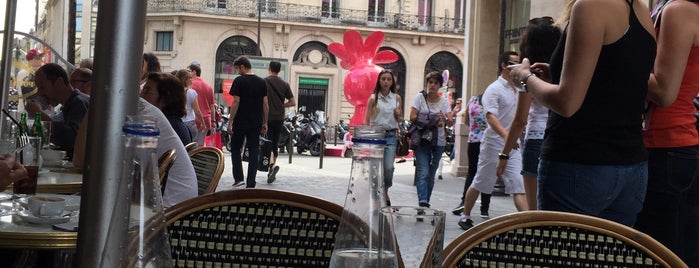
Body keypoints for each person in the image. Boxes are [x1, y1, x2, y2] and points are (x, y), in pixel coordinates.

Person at [508, 0, 656, 227]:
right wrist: (557, 74)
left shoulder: (590, 6)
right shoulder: (641, 12)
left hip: (579, 163)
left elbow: (566, 103)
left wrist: (525, 77)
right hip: (632, 167)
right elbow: (618, 77)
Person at [635, 1, 699, 266]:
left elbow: (663, 91)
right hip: (675, 146)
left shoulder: (679, 10)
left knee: (661, 253)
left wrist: (615, 60)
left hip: (668, 145)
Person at [73, 98, 198, 207]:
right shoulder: (129, 109)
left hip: (170, 211)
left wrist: (95, 104)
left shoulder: (141, 116)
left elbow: (82, 160)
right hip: (157, 202)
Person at [496, 16, 561, 210]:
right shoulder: (564, 69)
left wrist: (504, 154)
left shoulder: (529, 73)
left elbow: (520, 120)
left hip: (536, 140)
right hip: (561, 139)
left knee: (535, 212)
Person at [458, 52, 528, 231]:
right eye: (514, 62)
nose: (518, 65)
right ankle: (465, 215)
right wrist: (507, 136)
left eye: (519, 62)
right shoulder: (494, 89)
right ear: (504, 66)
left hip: (513, 145)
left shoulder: (520, 88)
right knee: (482, 180)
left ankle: (528, 223)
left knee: (517, 183)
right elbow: (490, 116)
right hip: (493, 143)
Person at [26, 63, 90, 160]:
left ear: (59, 82)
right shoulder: (70, 104)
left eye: (42, 87)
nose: (40, 93)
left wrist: (38, 114)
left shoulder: (79, 102)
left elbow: (72, 139)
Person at [409, 71, 452, 209]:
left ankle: (425, 201)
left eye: (435, 83)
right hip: (421, 140)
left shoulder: (444, 101)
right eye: (430, 82)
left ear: (440, 85)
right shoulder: (420, 98)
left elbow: (450, 121)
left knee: (431, 173)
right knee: (424, 172)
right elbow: (412, 116)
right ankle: (422, 201)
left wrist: (445, 119)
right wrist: (432, 120)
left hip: (438, 142)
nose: (432, 85)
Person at [227, 56, 269, 188]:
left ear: (242, 67)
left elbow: (236, 101)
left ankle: (239, 178)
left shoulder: (239, 81)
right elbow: (265, 104)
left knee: (235, 148)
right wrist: (265, 122)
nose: (237, 72)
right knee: (254, 151)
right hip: (256, 122)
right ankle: (251, 182)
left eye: (237, 69)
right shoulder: (261, 82)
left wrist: (230, 122)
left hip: (240, 121)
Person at [364, 69, 402, 206]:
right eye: (383, 79)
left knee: (388, 167)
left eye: (389, 79)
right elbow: (366, 120)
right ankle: (375, 194)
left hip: (391, 135)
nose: (386, 82)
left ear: (392, 82)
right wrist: (366, 137)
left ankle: (385, 190)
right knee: (375, 167)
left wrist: (398, 115)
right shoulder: (373, 98)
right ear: (379, 81)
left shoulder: (396, 98)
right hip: (376, 135)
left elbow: (400, 119)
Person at [451, 93, 491, 218]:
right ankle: (482, 207)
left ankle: (468, 203)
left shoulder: (474, 99)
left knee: (477, 172)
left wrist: (476, 129)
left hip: (478, 139)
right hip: (482, 140)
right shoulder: (483, 99)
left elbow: (467, 120)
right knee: (482, 172)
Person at [264, 60, 295, 183]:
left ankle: (270, 166)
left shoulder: (264, 82)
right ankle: (272, 166)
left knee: (267, 142)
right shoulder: (285, 84)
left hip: (267, 117)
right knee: (275, 142)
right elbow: (293, 102)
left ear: (269, 68)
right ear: (279, 70)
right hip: (279, 117)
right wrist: (282, 106)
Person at [141, 72, 192, 145]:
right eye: (143, 90)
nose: (141, 95)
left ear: (165, 99)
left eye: (147, 91)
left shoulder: (164, 128)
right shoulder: (175, 123)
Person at [173, 69, 206, 144]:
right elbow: (197, 111)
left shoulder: (173, 92)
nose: (192, 80)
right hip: (189, 123)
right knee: (191, 147)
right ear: (184, 79)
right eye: (189, 78)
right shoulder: (191, 93)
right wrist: (203, 123)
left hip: (176, 122)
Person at [188, 62, 216, 147]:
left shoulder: (190, 85)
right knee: (201, 145)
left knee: (191, 145)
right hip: (206, 119)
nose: (187, 73)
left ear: (194, 72)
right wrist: (213, 121)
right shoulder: (208, 86)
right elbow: (212, 106)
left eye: (189, 71)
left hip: (193, 119)